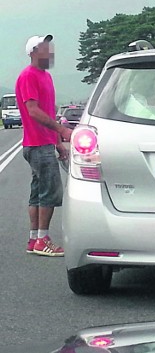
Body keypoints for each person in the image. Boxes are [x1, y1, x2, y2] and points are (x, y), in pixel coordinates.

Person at [16, 34, 72, 257]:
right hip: (37, 145)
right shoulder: (29, 76)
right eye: (44, 49)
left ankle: (33, 239)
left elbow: (49, 112)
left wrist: (57, 142)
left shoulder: (46, 77)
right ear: (32, 53)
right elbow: (33, 110)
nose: (50, 53)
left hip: (45, 143)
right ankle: (43, 240)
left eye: (50, 48)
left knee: (38, 192)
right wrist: (62, 130)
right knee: (50, 192)